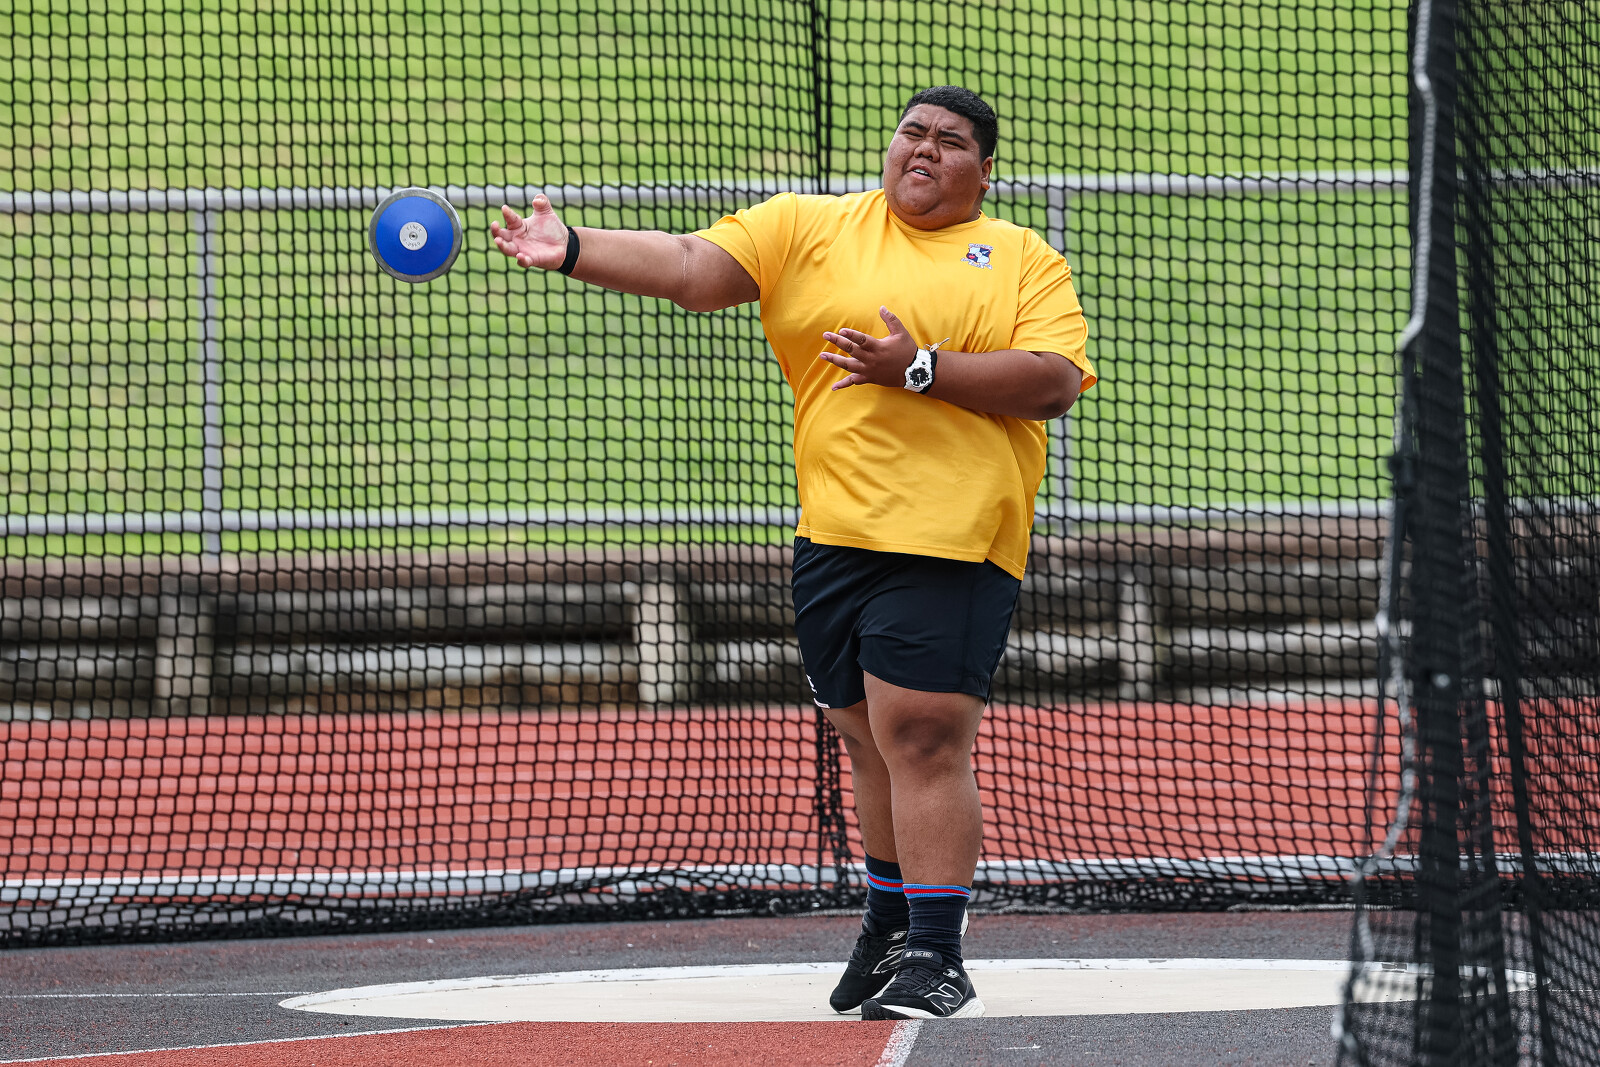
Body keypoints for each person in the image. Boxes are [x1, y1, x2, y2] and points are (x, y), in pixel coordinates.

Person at [491, 85, 1095, 1021]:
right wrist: (572, 247)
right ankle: (889, 922)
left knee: (921, 733)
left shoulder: (1022, 257)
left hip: (954, 534)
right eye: (911, 132)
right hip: (833, 534)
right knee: (866, 737)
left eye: (949, 141)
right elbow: (691, 266)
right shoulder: (810, 226)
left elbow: (1053, 381)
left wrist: (918, 368)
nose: (924, 148)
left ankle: (938, 954)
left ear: (983, 171)